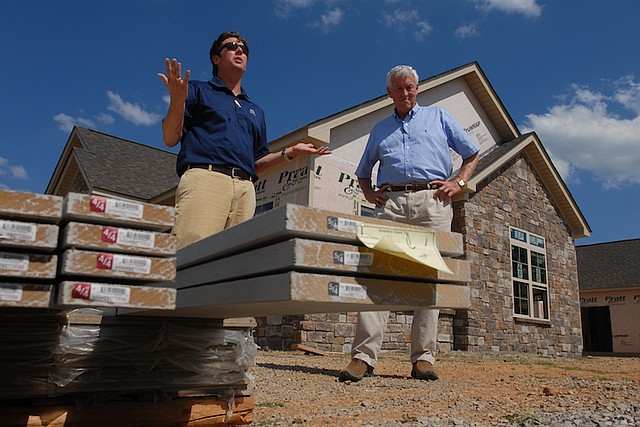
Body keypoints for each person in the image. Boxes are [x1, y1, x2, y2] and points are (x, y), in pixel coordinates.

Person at [339, 65, 480, 382]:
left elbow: (472, 153)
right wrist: (371, 193)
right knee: (379, 278)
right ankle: (363, 358)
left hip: (431, 202)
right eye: (399, 88)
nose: (406, 93)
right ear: (390, 93)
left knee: (428, 279)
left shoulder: (439, 118)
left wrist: (458, 182)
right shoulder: (380, 129)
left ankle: (423, 359)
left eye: (411, 87)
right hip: (392, 205)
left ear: (417, 89)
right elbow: (363, 171)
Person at [158, 31, 330, 248]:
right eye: (231, 46)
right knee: (191, 255)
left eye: (244, 49)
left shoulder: (255, 111)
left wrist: (290, 152)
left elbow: (256, 163)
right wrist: (177, 99)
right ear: (216, 58)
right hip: (206, 178)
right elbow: (169, 138)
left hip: (246, 190)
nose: (240, 50)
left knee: (233, 264)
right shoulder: (197, 90)